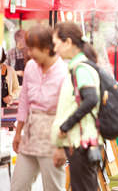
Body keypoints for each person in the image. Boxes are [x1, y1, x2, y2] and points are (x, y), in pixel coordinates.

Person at [11, 24, 67, 191]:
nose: (29, 53)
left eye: (33, 48)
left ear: (46, 47)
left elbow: (67, 113)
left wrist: (62, 147)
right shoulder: (30, 67)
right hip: (29, 133)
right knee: (18, 186)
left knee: (53, 188)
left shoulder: (63, 72)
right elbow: (24, 101)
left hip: (53, 137)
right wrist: (18, 132)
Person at [51, 21, 102, 191]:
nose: (55, 49)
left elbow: (90, 99)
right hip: (82, 141)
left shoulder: (81, 69)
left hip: (82, 143)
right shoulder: (77, 67)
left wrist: (66, 125)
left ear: (68, 42)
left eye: (56, 43)